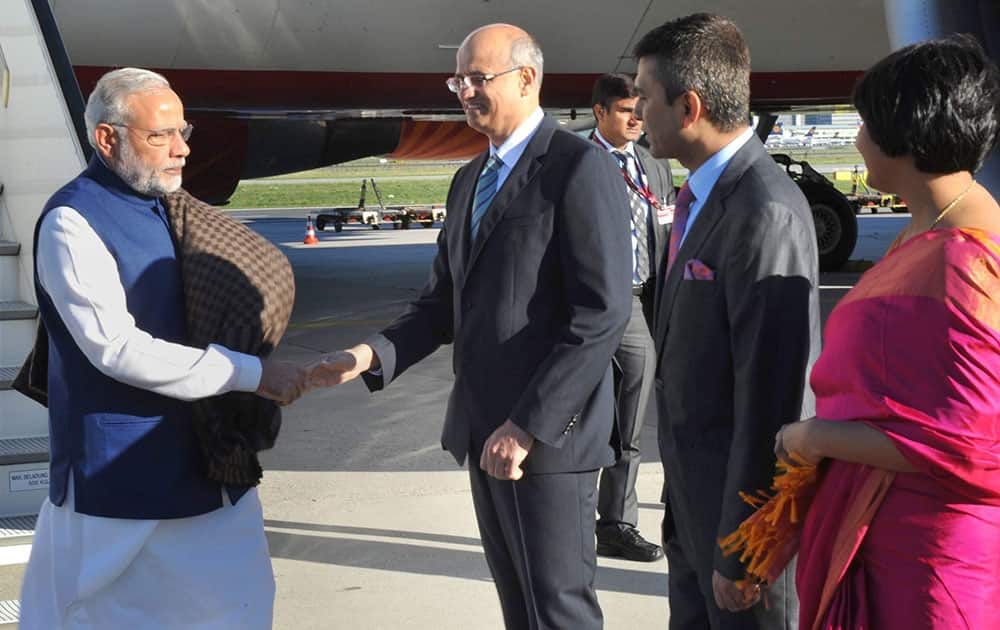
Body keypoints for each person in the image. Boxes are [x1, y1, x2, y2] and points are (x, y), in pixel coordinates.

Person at [312, 23, 631, 630]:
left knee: (559, 610)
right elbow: (442, 302)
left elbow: (601, 314)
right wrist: (369, 355)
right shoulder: (469, 180)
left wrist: (528, 425)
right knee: (520, 606)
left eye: (477, 78)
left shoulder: (577, 169)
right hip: (485, 428)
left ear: (527, 79)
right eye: (458, 79)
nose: (464, 92)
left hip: (547, 438)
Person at [19, 67, 307, 629]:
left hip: (205, 462)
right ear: (107, 139)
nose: (180, 150)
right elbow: (117, 349)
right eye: (160, 136)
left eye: (184, 132)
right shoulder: (72, 223)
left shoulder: (165, 205)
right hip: (120, 480)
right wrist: (252, 373)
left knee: (235, 607)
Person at [775, 35, 1000, 629]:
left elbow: (974, 446)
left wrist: (816, 436)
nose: (856, 138)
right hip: (886, 528)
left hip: (929, 556)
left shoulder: (965, 262)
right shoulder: (926, 232)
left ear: (906, 132)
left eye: (865, 122)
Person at [633, 13, 819, 629]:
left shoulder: (764, 211)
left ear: (688, 107)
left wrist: (745, 547)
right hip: (694, 510)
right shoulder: (706, 196)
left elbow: (775, 399)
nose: (634, 109)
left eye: (643, 95)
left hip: (741, 535)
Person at [589, 73, 673, 563]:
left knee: (631, 415)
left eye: (640, 109)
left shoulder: (651, 164)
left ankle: (615, 523)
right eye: (626, 110)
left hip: (641, 302)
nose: (637, 119)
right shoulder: (578, 162)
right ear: (600, 113)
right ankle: (587, 519)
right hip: (594, 305)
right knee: (586, 415)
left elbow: (663, 223)